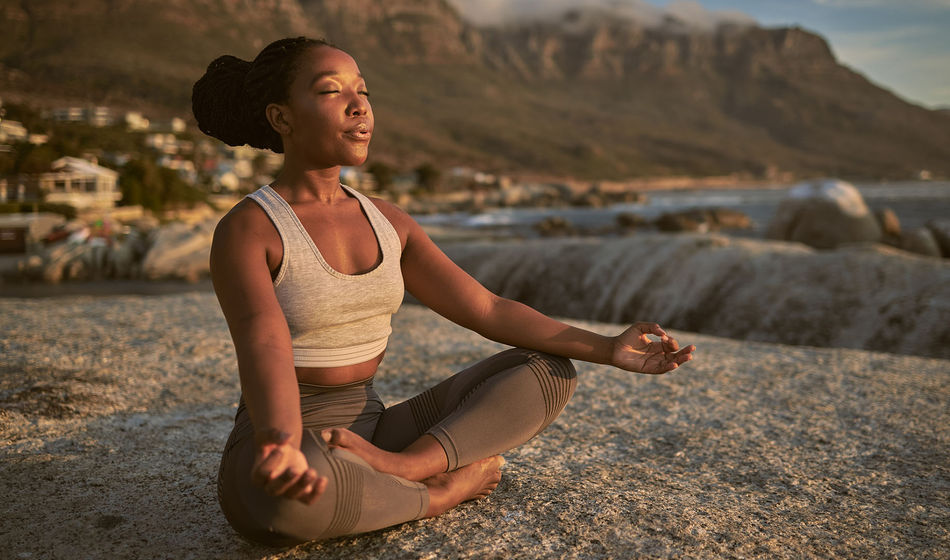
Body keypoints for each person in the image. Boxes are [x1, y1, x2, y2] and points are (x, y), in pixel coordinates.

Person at [192, 37, 695, 547]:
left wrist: (608, 348)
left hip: (376, 429)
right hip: (288, 435)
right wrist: (279, 442)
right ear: (281, 118)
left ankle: (407, 467)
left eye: (362, 91)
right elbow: (265, 342)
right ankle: (440, 494)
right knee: (280, 508)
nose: (358, 105)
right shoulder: (251, 228)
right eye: (330, 91)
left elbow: (487, 308)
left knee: (546, 370)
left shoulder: (389, 222)